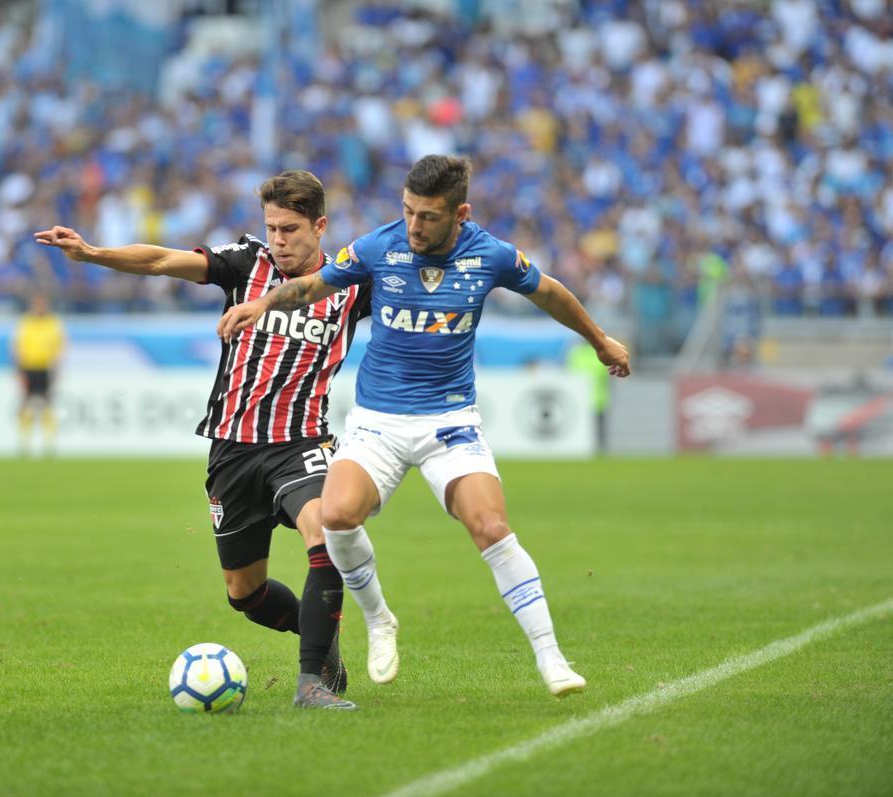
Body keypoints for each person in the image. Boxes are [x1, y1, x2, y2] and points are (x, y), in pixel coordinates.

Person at [218, 155, 631, 697]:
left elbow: (549, 292)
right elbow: (314, 286)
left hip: (450, 421)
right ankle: (379, 619)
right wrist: (263, 303)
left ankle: (551, 658)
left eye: (428, 217)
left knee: (490, 526)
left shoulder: (491, 255)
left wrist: (599, 340)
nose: (414, 226)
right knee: (338, 516)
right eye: (408, 211)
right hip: (377, 423)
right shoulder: (375, 246)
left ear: (460, 213)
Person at [34, 170, 375, 709]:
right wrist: (93, 254)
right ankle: (319, 635)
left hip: (301, 442)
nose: (279, 240)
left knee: (325, 531)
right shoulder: (245, 263)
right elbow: (162, 261)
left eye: (290, 229)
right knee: (246, 595)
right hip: (233, 449)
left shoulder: (351, 283)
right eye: (272, 228)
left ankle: (311, 683)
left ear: (320, 225)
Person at [11, 293, 65, 456]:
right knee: (26, 404)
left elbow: (60, 347)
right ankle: (25, 442)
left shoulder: (53, 322)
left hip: (46, 368)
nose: (40, 307)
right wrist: (18, 369)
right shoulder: (25, 322)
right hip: (29, 367)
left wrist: (57, 368)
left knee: (47, 404)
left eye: (43, 304)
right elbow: (17, 347)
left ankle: (49, 442)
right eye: (38, 304)